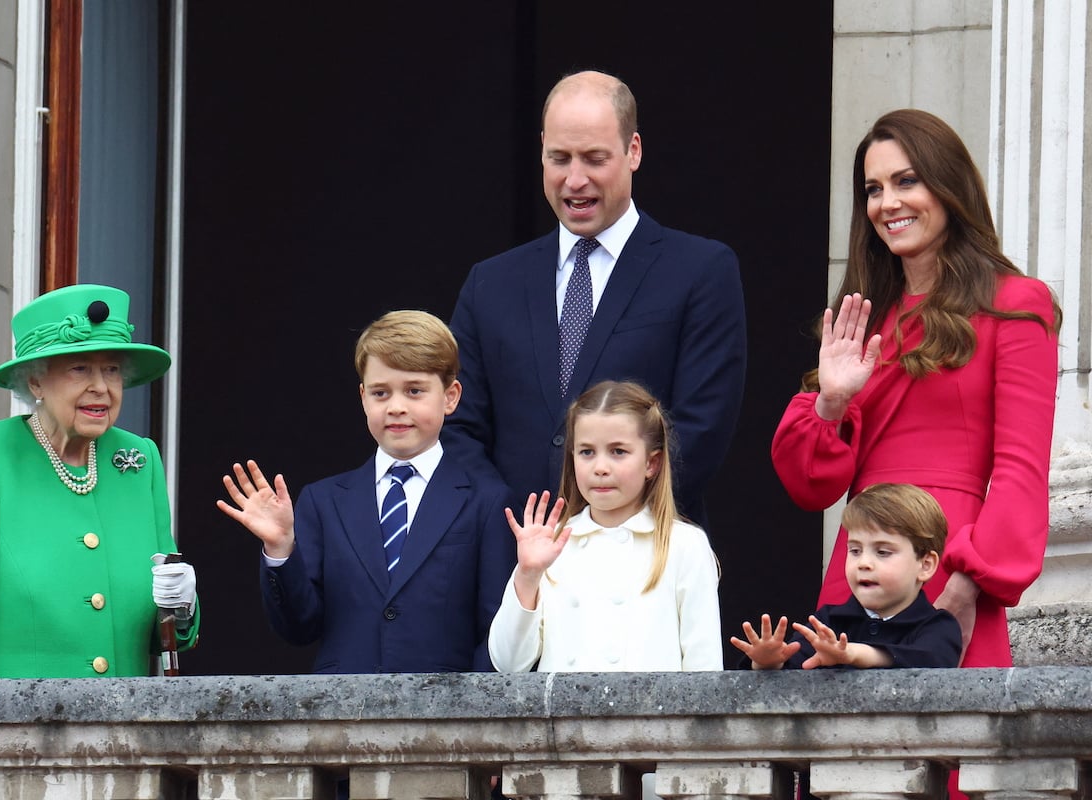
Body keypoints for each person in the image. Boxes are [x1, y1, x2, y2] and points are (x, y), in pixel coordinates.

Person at [771, 109, 1061, 669]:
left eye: (907, 181)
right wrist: (830, 401)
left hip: (949, 561)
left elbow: (1022, 468)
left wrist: (972, 579)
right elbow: (810, 487)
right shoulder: (864, 316)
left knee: (947, 751)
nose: (888, 203)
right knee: (850, 751)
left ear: (949, 186)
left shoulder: (1016, 302)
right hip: (860, 568)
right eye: (874, 190)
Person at [444, 70, 746, 530]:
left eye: (594, 158)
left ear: (634, 151)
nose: (575, 179)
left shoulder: (700, 272)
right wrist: (515, 523)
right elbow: (459, 426)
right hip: (516, 559)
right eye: (559, 158)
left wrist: (601, 528)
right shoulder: (491, 282)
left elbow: (698, 431)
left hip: (643, 562)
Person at [0, 284, 200, 679]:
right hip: (21, 733)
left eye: (112, 369)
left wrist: (181, 605)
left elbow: (165, 634)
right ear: (36, 382)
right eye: (80, 368)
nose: (101, 387)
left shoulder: (140, 461)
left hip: (126, 729)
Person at [217, 310, 516, 673]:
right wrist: (281, 550)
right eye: (380, 392)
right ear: (363, 397)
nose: (396, 407)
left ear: (451, 397)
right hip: (340, 718)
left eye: (415, 391)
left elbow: (496, 632)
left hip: (446, 721)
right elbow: (298, 627)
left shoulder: (487, 501)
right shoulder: (324, 501)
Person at [488, 380, 722, 672]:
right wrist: (528, 575)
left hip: (651, 718)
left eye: (618, 452)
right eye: (587, 452)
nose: (600, 467)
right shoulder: (554, 544)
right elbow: (508, 664)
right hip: (563, 718)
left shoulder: (684, 544)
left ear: (652, 463)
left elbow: (705, 669)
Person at [733, 483, 961, 670]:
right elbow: (795, 666)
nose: (864, 563)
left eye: (883, 552)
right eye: (855, 550)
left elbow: (931, 662)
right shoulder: (830, 621)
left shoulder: (939, 625)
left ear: (925, 564)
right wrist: (768, 661)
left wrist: (855, 653)